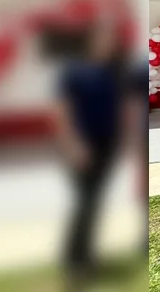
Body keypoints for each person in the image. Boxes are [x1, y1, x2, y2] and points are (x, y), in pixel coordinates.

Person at [55, 21, 140, 282]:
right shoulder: (74, 70)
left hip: (108, 142)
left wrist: (127, 141)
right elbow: (61, 110)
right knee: (85, 201)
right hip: (83, 143)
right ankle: (74, 261)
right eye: (102, 39)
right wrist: (73, 144)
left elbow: (124, 107)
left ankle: (89, 254)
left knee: (98, 199)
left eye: (111, 40)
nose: (107, 45)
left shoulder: (114, 71)